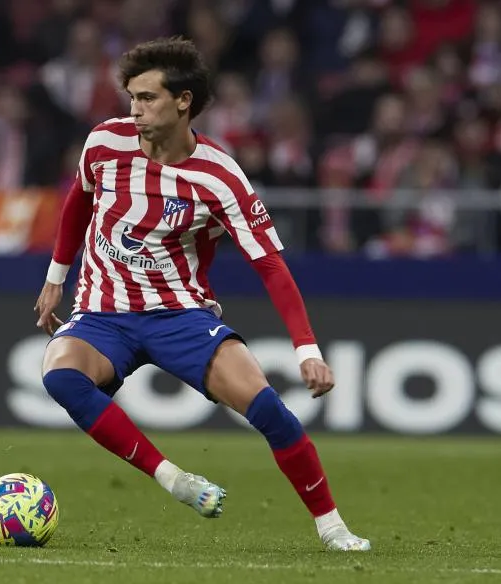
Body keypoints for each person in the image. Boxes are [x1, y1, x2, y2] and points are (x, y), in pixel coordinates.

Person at [33, 37, 370, 552]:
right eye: (132, 97)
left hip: (180, 316)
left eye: (148, 98)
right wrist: (56, 276)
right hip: (103, 313)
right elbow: (79, 198)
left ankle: (333, 528)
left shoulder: (219, 175)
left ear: (183, 101)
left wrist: (307, 349)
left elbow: (269, 264)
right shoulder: (104, 142)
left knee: (269, 410)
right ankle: (173, 478)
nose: (135, 110)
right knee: (59, 374)